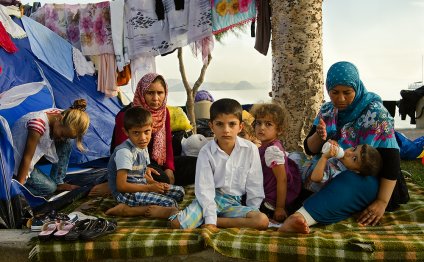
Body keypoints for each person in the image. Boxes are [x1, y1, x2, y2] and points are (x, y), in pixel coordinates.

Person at [279, 61, 409, 233]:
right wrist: (319, 135)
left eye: (347, 93)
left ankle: (301, 218)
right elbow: (310, 149)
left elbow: (392, 161)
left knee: (352, 182)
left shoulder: (376, 113)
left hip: (367, 177)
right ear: (328, 90)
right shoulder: (327, 110)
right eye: (334, 93)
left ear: (356, 87)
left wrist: (382, 202)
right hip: (331, 170)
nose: (340, 99)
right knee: (294, 166)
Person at [169, 98, 269, 230]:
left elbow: (254, 185)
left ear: (240, 127)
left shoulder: (250, 149)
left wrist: (252, 210)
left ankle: (214, 221)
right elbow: (205, 189)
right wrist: (210, 218)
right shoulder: (206, 152)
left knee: (261, 221)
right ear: (211, 126)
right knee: (176, 224)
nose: (226, 130)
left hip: (233, 203)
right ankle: (172, 211)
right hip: (209, 199)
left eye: (232, 124)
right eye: (220, 124)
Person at [105, 107, 185, 218]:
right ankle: (127, 210)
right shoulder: (124, 152)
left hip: (140, 187)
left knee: (179, 192)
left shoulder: (142, 146)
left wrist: (154, 184)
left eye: (146, 132)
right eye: (136, 133)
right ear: (126, 132)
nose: (143, 138)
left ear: (152, 128)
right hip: (126, 195)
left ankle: (144, 205)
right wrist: (150, 188)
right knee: (170, 204)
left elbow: (141, 174)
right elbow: (121, 186)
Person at [12, 99, 90, 196]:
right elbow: (27, 158)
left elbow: (63, 133)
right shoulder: (38, 125)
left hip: (35, 150)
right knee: (50, 188)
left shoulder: (65, 114)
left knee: (66, 142)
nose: (62, 138)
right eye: (62, 134)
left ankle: (58, 181)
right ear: (60, 119)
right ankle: (12, 185)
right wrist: (17, 190)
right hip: (17, 162)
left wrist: (63, 136)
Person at [112, 73, 175, 184]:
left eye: (160, 93)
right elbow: (122, 150)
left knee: (194, 164)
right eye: (150, 93)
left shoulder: (164, 112)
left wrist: (169, 168)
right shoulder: (126, 115)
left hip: (157, 160)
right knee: (163, 179)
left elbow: (168, 143)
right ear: (141, 92)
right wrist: (144, 171)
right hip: (135, 163)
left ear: (165, 94)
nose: (155, 98)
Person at [249, 103, 301, 222]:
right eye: (258, 123)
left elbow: (282, 180)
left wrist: (279, 208)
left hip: (270, 202)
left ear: (279, 130)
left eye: (268, 124)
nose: (261, 127)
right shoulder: (264, 147)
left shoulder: (272, 151)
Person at [302, 141, 383, 193]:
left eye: (354, 158)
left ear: (356, 171)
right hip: (307, 166)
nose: (349, 153)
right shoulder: (342, 159)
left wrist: (324, 158)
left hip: (303, 182)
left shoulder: (338, 173)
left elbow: (315, 178)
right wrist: (331, 144)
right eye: (354, 149)